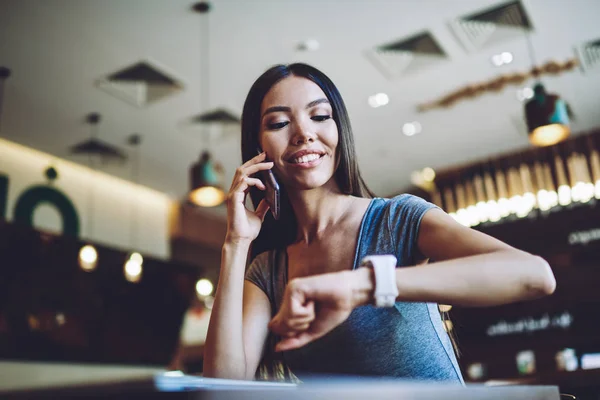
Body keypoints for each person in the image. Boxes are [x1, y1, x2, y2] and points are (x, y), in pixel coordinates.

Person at [202, 63, 556, 383]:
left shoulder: (395, 219)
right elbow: (224, 385)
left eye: (320, 116)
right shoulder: (269, 270)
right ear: (257, 150)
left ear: (339, 129)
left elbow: (534, 275)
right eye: (279, 123)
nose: (303, 133)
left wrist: (364, 285)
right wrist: (236, 243)